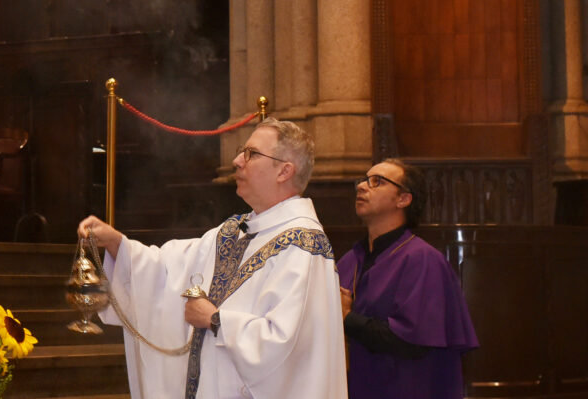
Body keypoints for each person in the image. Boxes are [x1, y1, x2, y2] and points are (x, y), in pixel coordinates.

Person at [77, 118, 346, 399]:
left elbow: (290, 347)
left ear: (284, 171)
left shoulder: (304, 246)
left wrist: (217, 320)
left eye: (251, 154)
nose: (237, 160)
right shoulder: (236, 231)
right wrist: (117, 243)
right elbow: (168, 270)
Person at [338, 158, 478, 399]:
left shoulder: (422, 259)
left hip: (406, 388)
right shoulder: (349, 260)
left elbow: (410, 342)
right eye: (362, 180)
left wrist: (346, 318)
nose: (362, 187)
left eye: (376, 182)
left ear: (403, 199)